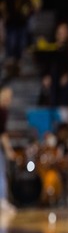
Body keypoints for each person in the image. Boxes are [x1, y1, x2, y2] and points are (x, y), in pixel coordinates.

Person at [0, 85, 17, 214]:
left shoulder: (4, 111)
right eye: (6, 95)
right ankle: (2, 201)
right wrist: (9, 150)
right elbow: (3, 134)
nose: (8, 99)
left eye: (10, 97)